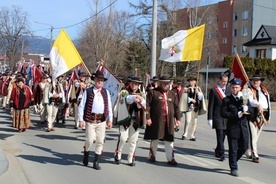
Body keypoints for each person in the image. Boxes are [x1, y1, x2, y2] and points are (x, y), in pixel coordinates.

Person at [78, 70, 113, 170]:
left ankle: (96, 161)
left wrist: (110, 119)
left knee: (100, 141)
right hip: (90, 120)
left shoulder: (106, 92)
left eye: (101, 80)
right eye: (98, 79)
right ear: (95, 80)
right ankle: (86, 154)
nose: (100, 81)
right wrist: (81, 119)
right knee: (89, 140)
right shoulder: (88, 91)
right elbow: (81, 105)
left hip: (101, 120)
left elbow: (109, 106)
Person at [144, 76, 181, 166]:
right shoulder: (153, 92)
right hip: (157, 120)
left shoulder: (172, 94)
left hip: (169, 121)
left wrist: (178, 119)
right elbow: (147, 106)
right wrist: (148, 118)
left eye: (167, 83)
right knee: (155, 137)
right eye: (164, 83)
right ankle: (152, 155)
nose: (166, 85)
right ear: (160, 83)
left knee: (169, 139)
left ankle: (170, 158)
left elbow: (176, 107)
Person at [220, 78, 253, 177]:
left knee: (244, 147)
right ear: (230, 88)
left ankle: (233, 160)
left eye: (237, 87)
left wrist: (248, 109)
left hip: (243, 128)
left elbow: (251, 113)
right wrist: (236, 114)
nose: (235, 89)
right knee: (233, 149)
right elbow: (223, 113)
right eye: (233, 87)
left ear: (240, 88)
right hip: (233, 128)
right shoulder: (227, 100)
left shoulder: (244, 98)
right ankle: (233, 167)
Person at [113, 76, 146, 166]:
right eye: (132, 83)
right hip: (125, 119)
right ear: (130, 83)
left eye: (136, 84)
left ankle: (131, 158)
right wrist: (135, 98)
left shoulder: (142, 94)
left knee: (133, 140)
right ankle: (118, 153)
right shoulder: (124, 92)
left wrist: (140, 100)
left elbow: (144, 104)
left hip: (136, 120)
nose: (134, 85)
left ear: (139, 85)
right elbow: (126, 99)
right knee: (123, 138)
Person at [246, 74, 271, 163]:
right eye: (254, 80)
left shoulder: (264, 90)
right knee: (253, 136)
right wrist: (258, 105)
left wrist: (269, 116)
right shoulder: (248, 90)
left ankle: (248, 150)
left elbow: (268, 103)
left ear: (260, 81)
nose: (256, 82)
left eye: (257, 80)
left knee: (256, 137)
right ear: (252, 81)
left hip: (263, 116)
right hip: (253, 116)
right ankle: (254, 154)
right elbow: (250, 101)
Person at [207, 73, 230, 161]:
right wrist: (210, 118)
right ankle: (222, 153)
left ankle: (217, 150)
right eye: (223, 81)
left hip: (227, 117)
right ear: (219, 81)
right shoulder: (214, 90)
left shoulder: (229, 90)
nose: (225, 83)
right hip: (218, 117)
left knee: (223, 136)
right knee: (220, 136)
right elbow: (211, 105)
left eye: (226, 81)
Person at [181, 77, 204, 141]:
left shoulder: (198, 88)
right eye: (190, 81)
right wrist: (191, 99)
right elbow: (183, 97)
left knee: (194, 122)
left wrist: (198, 93)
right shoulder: (186, 88)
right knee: (188, 120)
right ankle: (185, 133)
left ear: (195, 82)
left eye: (192, 81)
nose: (190, 82)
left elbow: (201, 97)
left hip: (195, 107)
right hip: (188, 106)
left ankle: (192, 135)